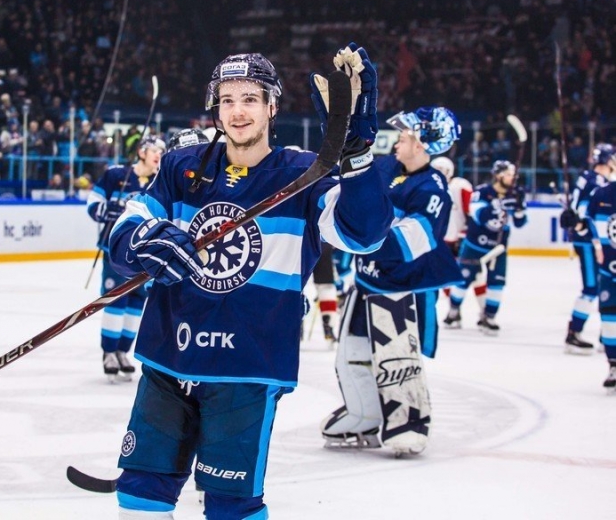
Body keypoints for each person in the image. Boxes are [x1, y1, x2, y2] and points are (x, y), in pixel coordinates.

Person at [106, 45, 392, 519]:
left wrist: (357, 159)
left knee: (230, 508)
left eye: (250, 99)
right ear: (215, 108)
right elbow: (125, 227)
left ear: (272, 106)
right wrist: (141, 239)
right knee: (139, 495)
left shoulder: (304, 173)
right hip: (169, 359)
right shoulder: (183, 167)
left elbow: (363, 235)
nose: (237, 111)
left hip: (247, 367)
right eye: (227, 99)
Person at [321, 106, 462, 455]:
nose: (398, 140)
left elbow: (411, 241)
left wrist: (359, 235)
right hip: (367, 283)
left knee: (398, 359)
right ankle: (365, 414)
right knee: (351, 355)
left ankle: (408, 421)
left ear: (425, 144)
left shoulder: (432, 190)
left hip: (401, 291)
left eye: (406, 136)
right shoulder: (386, 166)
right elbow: (351, 191)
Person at [86, 136, 166, 382]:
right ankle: (108, 352)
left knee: (136, 303)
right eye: (155, 150)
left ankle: (122, 351)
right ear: (142, 151)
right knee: (115, 301)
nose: (159, 155)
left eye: (163, 151)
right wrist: (109, 210)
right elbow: (93, 204)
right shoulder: (115, 175)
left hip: (143, 256)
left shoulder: (159, 182)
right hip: (115, 251)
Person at [445, 160, 527, 334]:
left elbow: (520, 222)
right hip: (475, 245)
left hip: (498, 248)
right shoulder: (482, 192)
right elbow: (479, 216)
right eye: (509, 174)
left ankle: (489, 317)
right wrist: (498, 205)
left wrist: (519, 208)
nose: (513, 178)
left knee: (496, 284)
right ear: (498, 175)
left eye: (514, 175)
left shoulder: (514, 194)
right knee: (463, 280)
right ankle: (453, 312)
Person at [559, 143, 616, 354]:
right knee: (592, 288)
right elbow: (585, 211)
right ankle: (574, 333)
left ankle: (606, 335)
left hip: (589, 240)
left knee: (602, 288)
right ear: (609, 160)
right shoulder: (597, 182)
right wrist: (595, 239)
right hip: (590, 241)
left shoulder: (589, 178)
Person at [431, 157, 488, 319]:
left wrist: (467, 235)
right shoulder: (427, 188)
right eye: (437, 169)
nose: (441, 173)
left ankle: (485, 311)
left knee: (476, 276)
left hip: (461, 241)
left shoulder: (459, 187)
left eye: (444, 170)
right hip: (439, 244)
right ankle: (454, 311)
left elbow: (472, 213)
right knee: (444, 278)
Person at [581, 178, 616, 391]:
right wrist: (576, 224)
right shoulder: (602, 194)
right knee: (610, 320)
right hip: (609, 272)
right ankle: (614, 365)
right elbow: (587, 226)